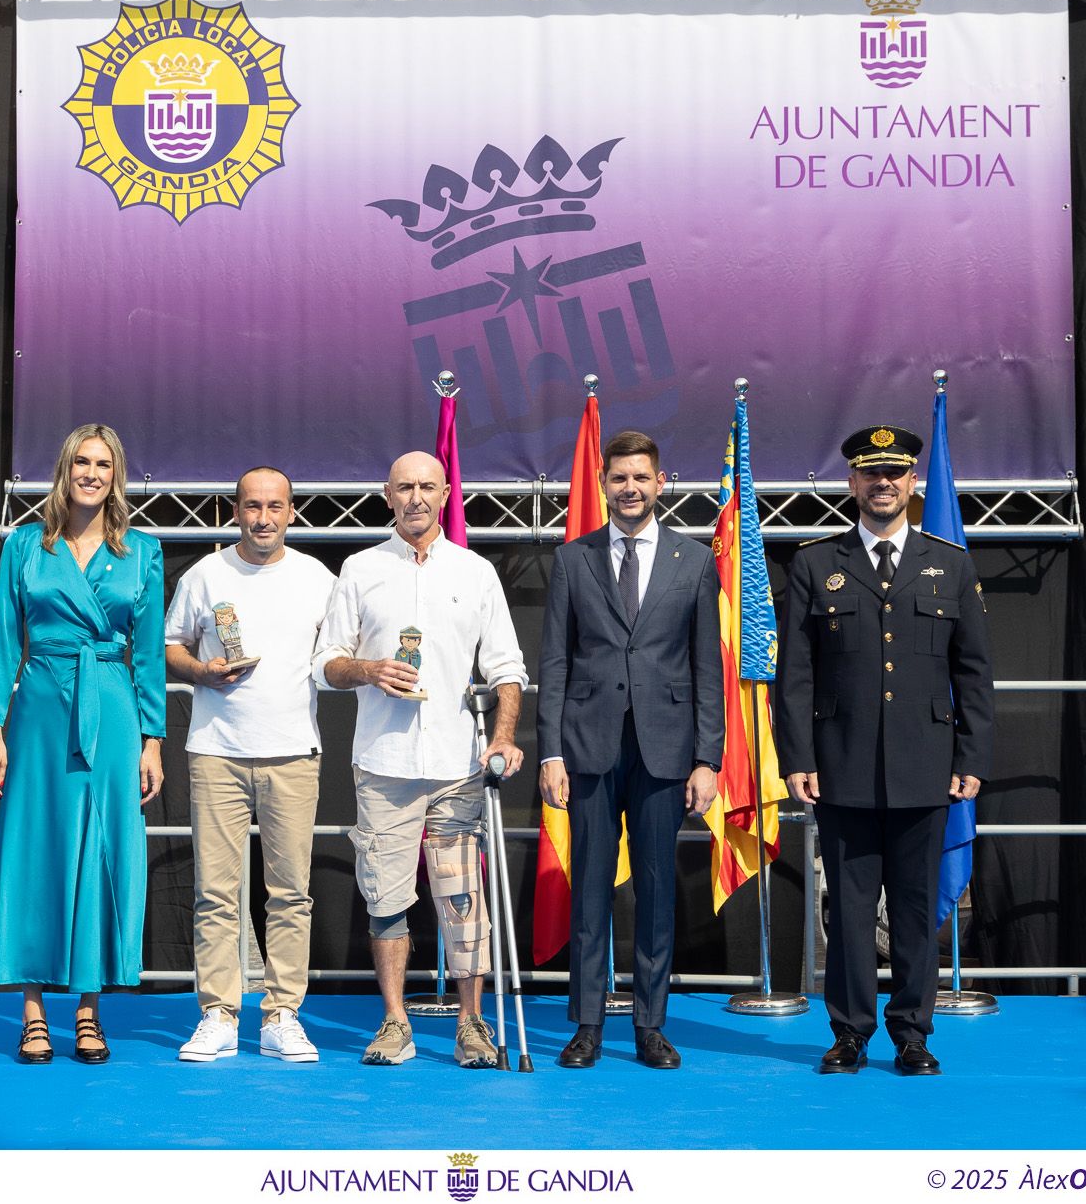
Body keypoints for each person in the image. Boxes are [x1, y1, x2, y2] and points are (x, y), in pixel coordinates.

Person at [774, 424, 993, 1076]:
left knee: (916, 909)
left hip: (927, 766)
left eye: (894, 473)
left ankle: (912, 1034)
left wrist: (972, 757)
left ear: (912, 482)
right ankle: (849, 1032)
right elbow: (796, 674)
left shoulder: (950, 564)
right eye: (871, 473)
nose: (883, 483)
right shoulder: (816, 563)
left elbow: (973, 672)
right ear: (852, 482)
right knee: (846, 909)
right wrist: (797, 757)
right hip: (841, 766)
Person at [313, 451, 527, 1068]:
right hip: (385, 765)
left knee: (462, 899)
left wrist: (503, 737)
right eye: (404, 487)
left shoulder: (475, 571)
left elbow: (507, 667)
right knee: (385, 898)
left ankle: (472, 1024)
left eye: (427, 487)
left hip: (459, 764)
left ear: (445, 493)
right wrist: (368, 669)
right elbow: (325, 664)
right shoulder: (360, 568)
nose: (415, 497)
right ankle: (395, 1022)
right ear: (387, 495)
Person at [0, 424, 167, 1065]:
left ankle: (88, 1009)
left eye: (103, 464)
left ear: (116, 475)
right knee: (35, 846)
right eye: (81, 461)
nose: (91, 473)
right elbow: (4, 639)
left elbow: (149, 657)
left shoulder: (141, 551)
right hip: (40, 708)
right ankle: (32, 1012)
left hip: (111, 710)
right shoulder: (27, 545)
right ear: (64, 469)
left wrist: (152, 740)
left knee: (101, 848)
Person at [536, 430, 723, 1070]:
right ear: (603, 483)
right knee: (590, 890)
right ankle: (587, 1025)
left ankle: (650, 1026)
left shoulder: (693, 561)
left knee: (656, 892)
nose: (630, 488)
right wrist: (550, 753)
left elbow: (707, 669)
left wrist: (708, 759)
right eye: (619, 478)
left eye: (641, 477)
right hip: (588, 749)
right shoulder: (573, 559)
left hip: (666, 750)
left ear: (660, 483)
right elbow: (555, 663)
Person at [165, 467, 335, 1064]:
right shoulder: (204, 574)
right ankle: (218, 1014)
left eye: (275, 506)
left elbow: (341, 653)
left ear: (292, 512)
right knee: (215, 894)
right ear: (235, 511)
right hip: (216, 752)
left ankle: (281, 1015)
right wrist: (200, 672)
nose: (263, 518)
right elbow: (169, 646)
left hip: (294, 752)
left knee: (291, 895)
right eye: (253, 506)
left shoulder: (318, 578)